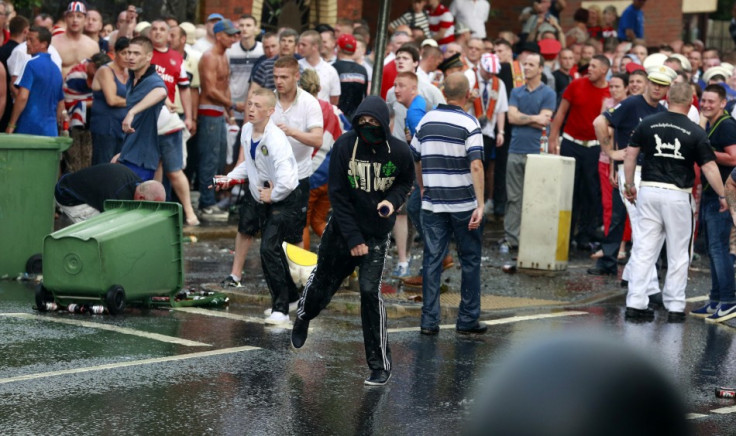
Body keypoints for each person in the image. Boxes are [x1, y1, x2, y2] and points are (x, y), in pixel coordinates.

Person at [291, 96, 414, 387]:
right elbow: (338, 195)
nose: (368, 127)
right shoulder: (345, 146)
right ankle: (305, 313)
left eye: (374, 123)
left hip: (375, 235)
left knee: (370, 294)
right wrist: (353, 238)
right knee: (323, 284)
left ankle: (379, 366)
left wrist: (391, 202)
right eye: (363, 122)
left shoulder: (398, 151)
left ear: (384, 123)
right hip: (343, 232)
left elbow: (405, 182)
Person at [622, 81, 728, 322]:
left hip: (648, 188)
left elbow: (630, 155)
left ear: (667, 98)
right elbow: (709, 166)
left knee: (644, 249)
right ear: (691, 101)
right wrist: (722, 195)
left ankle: (636, 302)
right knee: (679, 252)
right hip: (677, 194)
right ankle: (675, 305)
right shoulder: (695, 131)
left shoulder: (647, 123)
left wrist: (629, 185)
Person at [215, 89, 302, 324]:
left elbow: (288, 178)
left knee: (268, 249)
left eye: (257, 106)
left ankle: (281, 309)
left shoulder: (275, 139)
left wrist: (273, 194)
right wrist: (230, 177)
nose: (251, 109)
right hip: (262, 196)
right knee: (271, 250)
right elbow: (249, 165)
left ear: (270, 112)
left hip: (283, 199)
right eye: (249, 104)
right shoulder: (246, 130)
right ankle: (292, 297)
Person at [411, 72, 486, 336]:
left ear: (443, 92)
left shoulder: (426, 121)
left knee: (432, 259)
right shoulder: (470, 123)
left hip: (432, 203)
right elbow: (476, 164)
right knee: (470, 259)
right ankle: (467, 319)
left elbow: (416, 157)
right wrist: (480, 203)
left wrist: (422, 186)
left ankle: (429, 321)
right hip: (464, 203)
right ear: (467, 95)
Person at [588, 67, 670, 279]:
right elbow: (600, 122)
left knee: (648, 226)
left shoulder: (662, 110)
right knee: (635, 223)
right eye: (654, 83)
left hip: (651, 173)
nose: (657, 88)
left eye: (662, 85)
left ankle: (634, 274)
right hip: (630, 171)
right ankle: (640, 279)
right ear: (648, 84)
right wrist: (611, 154)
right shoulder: (632, 103)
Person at [549, 55, 611, 250]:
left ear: (604, 70)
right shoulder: (576, 85)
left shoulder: (610, 92)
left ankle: (585, 235)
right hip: (571, 144)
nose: (589, 68)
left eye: (593, 66)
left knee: (591, 193)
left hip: (595, 147)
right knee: (568, 191)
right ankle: (565, 237)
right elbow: (561, 112)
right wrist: (553, 138)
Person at [500, 53, 556, 252]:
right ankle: (512, 238)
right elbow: (512, 118)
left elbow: (545, 119)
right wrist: (534, 118)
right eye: (525, 64)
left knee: (536, 198)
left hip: (537, 151)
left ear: (541, 68)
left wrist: (523, 117)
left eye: (531, 64)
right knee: (513, 197)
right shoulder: (516, 91)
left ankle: (532, 237)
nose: (527, 67)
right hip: (515, 149)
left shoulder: (548, 93)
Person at [690, 84, 736, 322]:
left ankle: (728, 300)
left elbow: (734, 156)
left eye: (711, 101)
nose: (706, 105)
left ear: (722, 103)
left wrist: (705, 150)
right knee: (712, 248)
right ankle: (716, 299)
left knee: (719, 249)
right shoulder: (710, 122)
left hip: (723, 194)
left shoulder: (727, 125)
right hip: (711, 192)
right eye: (704, 101)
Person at [273, 56, 324, 247]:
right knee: (271, 229)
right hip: (272, 175)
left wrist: (291, 131)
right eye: (276, 76)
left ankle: (298, 275)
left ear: (296, 76)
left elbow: (317, 139)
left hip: (298, 176)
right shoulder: (269, 99)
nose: (279, 81)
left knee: (296, 232)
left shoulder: (309, 103)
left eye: (284, 77)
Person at [196, 19, 239, 219]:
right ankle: (206, 204)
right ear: (219, 35)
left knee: (220, 159)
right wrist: (232, 106)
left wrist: (229, 114)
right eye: (230, 35)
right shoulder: (209, 57)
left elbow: (225, 86)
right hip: (208, 111)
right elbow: (210, 89)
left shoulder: (225, 56)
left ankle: (210, 199)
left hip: (219, 113)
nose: (233, 38)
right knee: (209, 159)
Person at [115, 36, 167, 181]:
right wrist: (122, 153)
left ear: (149, 56)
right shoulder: (131, 79)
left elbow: (161, 91)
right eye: (128, 53)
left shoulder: (154, 81)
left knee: (138, 202)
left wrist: (132, 112)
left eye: (136, 53)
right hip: (129, 153)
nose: (130, 57)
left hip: (143, 158)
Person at [467, 53, 508, 219]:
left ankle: (479, 203)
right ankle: (468, 202)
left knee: (481, 167)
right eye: (486, 72)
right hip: (469, 130)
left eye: (492, 73)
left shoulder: (499, 84)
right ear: (481, 67)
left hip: (487, 132)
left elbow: (501, 109)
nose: (489, 75)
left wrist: (501, 131)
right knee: (468, 167)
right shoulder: (470, 77)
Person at [55, 163, 165, 223]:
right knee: (96, 232)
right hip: (67, 195)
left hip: (74, 183)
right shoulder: (117, 197)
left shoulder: (140, 185)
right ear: (141, 198)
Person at [5, 26, 63, 136]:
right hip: (51, 131)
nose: (27, 43)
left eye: (31, 40)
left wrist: (11, 125)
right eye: (26, 39)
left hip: (29, 127)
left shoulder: (31, 64)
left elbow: (22, 97)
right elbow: (61, 104)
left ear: (44, 44)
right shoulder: (56, 69)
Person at [90, 36, 129, 165]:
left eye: (130, 54)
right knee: (104, 164)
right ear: (115, 53)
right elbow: (111, 100)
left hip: (122, 126)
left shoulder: (128, 72)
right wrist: (135, 101)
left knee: (120, 164)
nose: (127, 57)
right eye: (124, 53)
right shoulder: (105, 71)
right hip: (106, 126)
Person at [227, 14, 263, 125]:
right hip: (233, 106)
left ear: (256, 28)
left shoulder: (262, 50)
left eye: (248, 25)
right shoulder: (230, 50)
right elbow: (225, 80)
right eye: (241, 25)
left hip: (256, 107)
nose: (244, 28)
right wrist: (229, 106)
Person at [51, 2, 100, 78]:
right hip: (60, 88)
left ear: (85, 19)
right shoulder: (54, 42)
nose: (75, 20)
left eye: (79, 16)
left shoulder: (93, 45)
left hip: (84, 88)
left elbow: (98, 73)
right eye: (71, 16)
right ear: (66, 19)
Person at [0, 15, 29, 132]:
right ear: (26, 31)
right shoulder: (20, 52)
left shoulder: (2, 49)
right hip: (11, 105)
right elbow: (16, 84)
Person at [297, 30, 340, 104]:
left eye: (304, 45)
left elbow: (334, 99)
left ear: (315, 46)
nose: (300, 47)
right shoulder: (296, 67)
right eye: (299, 44)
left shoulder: (330, 70)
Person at [331, 33, 368, 120]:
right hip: (356, 118)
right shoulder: (362, 70)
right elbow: (364, 96)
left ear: (339, 48)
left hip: (338, 117)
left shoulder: (334, 68)